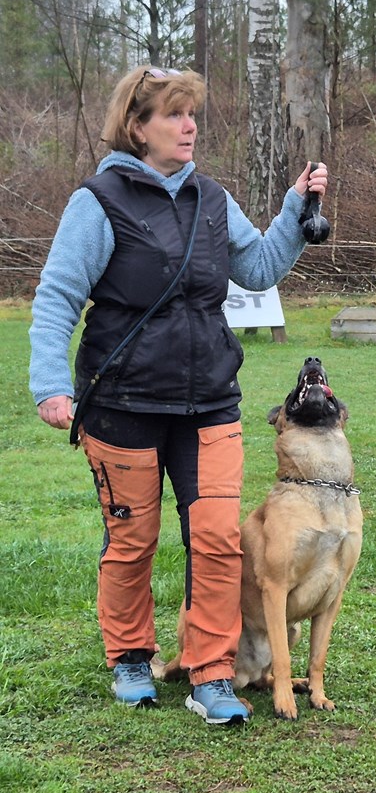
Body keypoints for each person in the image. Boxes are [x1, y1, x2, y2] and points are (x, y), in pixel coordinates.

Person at [29, 65, 328, 725]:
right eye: (172, 114)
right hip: (124, 404)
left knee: (219, 538)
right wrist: (51, 384)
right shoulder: (100, 201)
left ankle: (210, 670)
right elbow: (56, 297)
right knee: (131, 540)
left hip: (208, 401)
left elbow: (256, 267)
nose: (189, 126)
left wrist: (291, 210)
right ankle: (131, 656)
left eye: (192, 114)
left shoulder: (211, 199)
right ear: (137, 127)